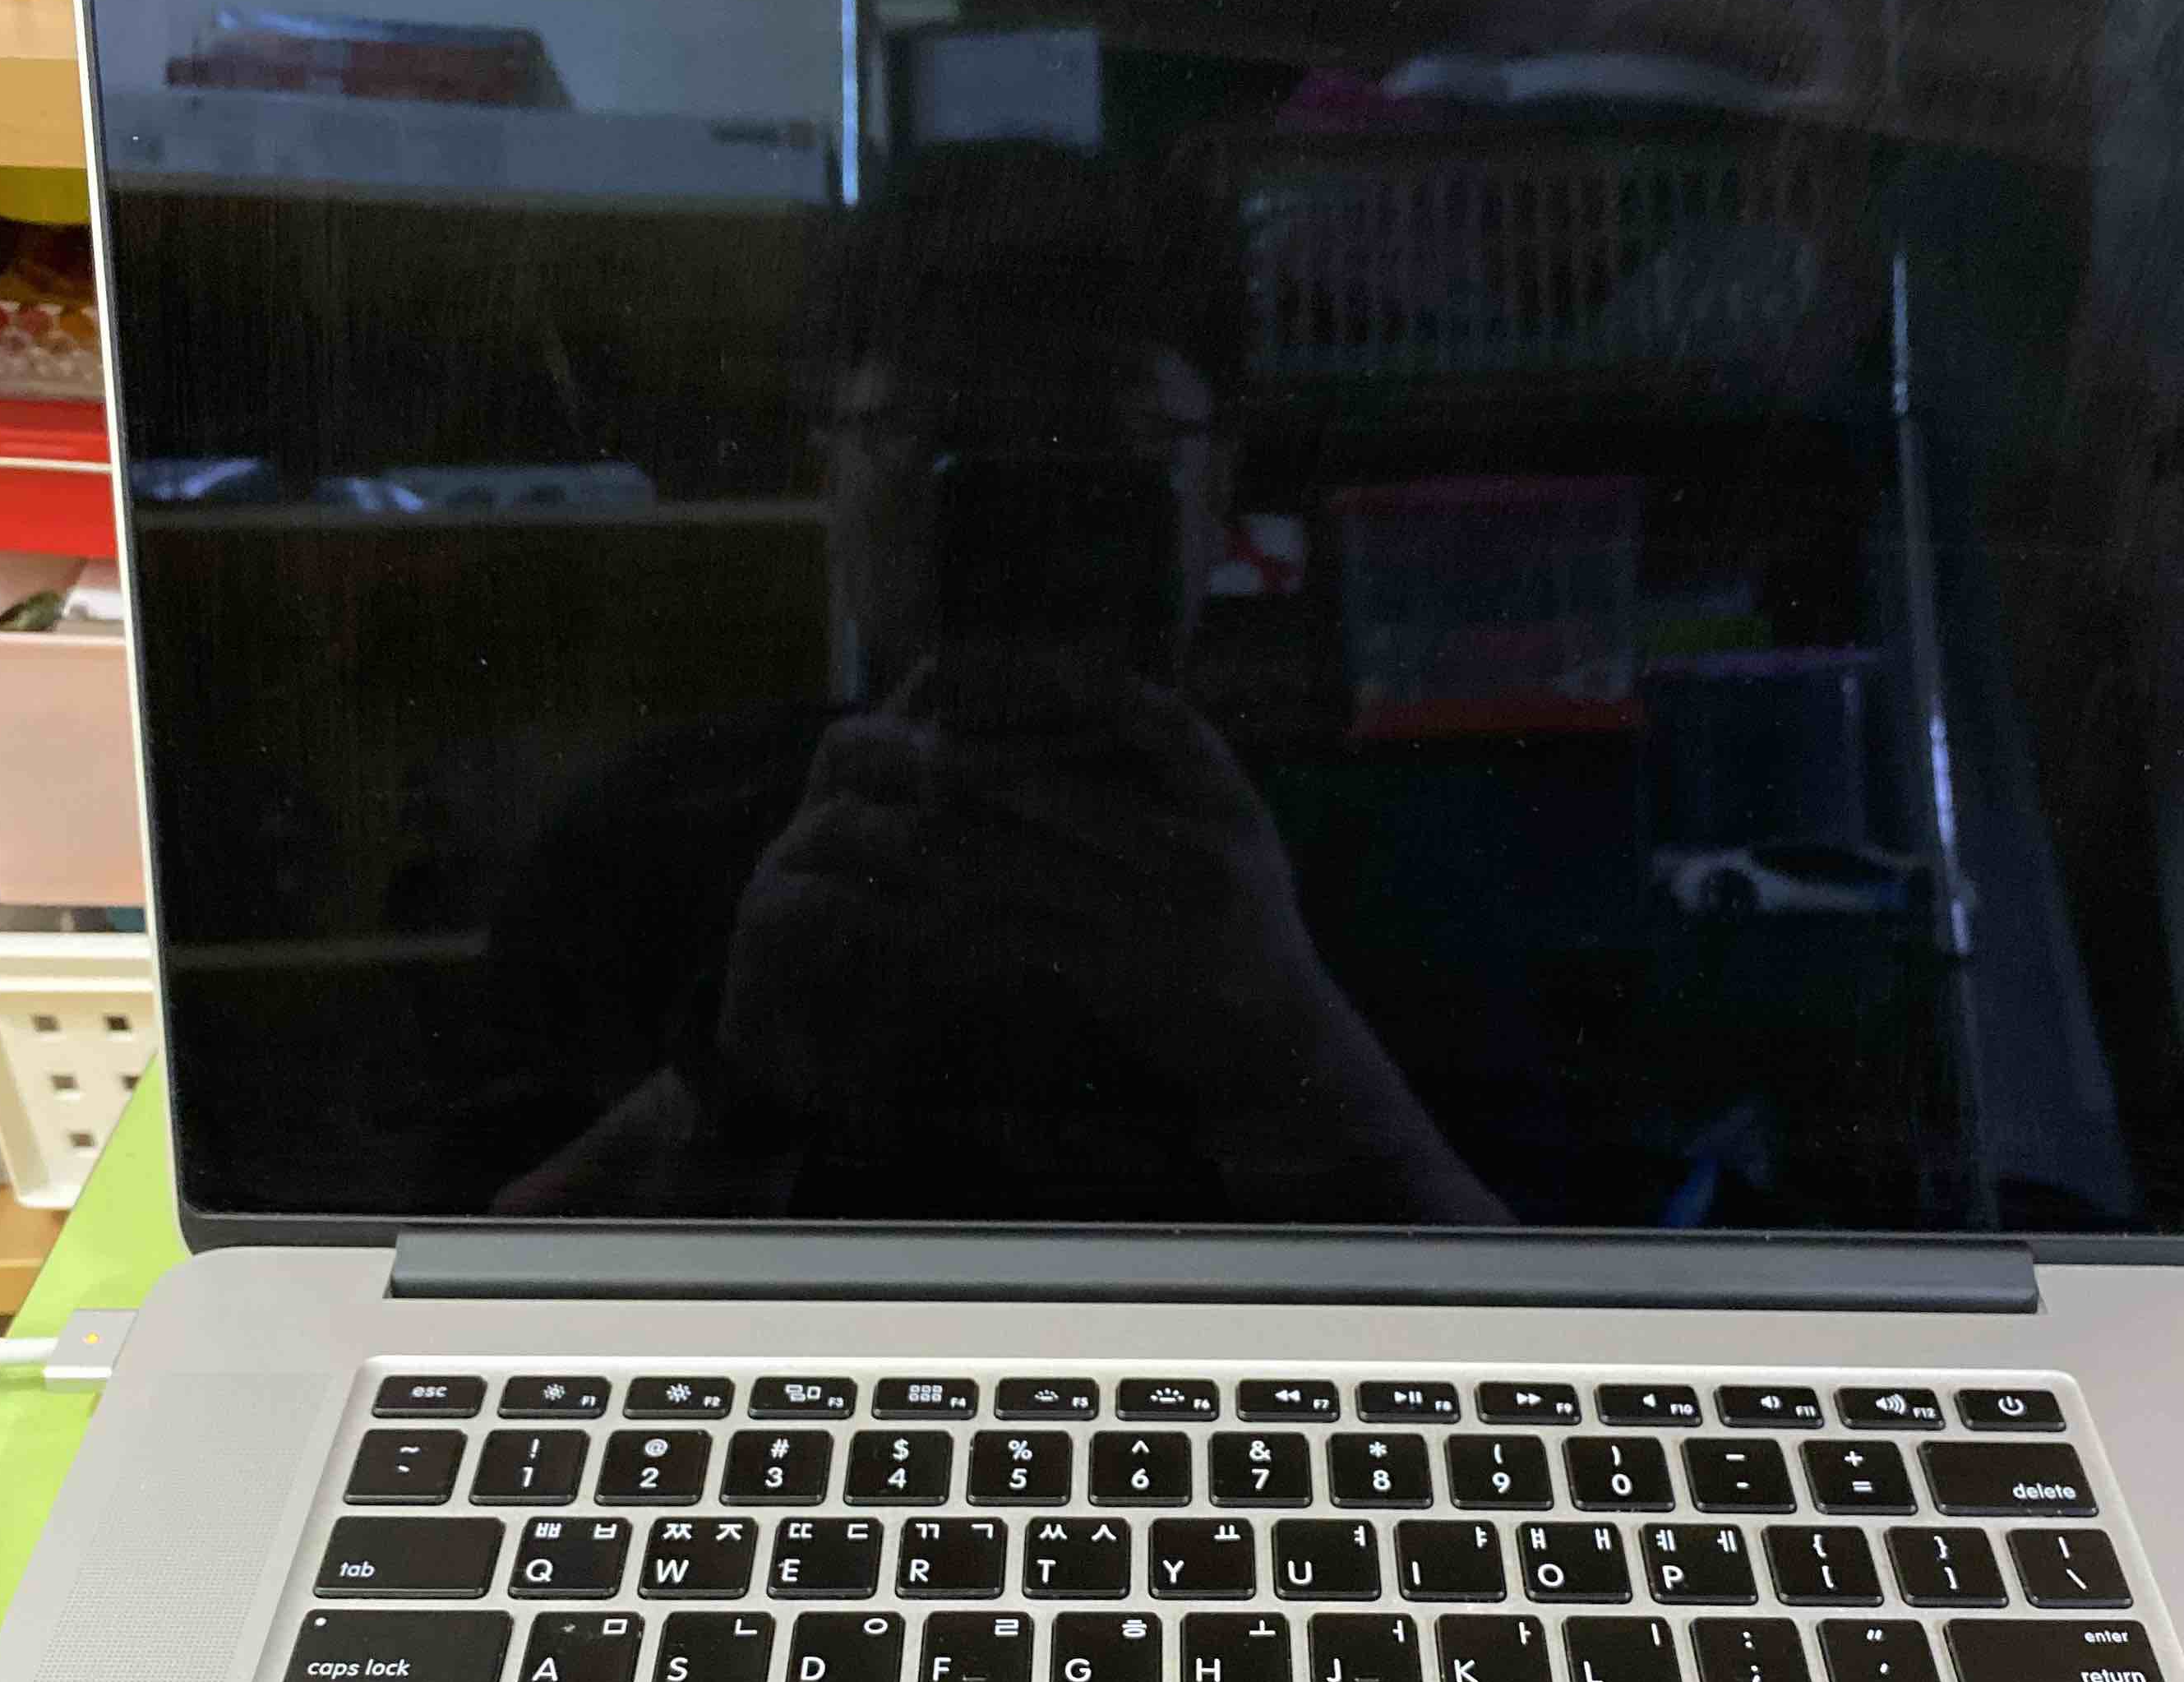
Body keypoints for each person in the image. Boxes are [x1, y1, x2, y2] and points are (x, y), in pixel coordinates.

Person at [495, 144, 1505, 1225]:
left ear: (1221, 481)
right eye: (946, 437)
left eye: (1097, 441)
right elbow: (460, 1282)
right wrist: (738, 1080)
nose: (1022, 509)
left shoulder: (1390, 862)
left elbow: (1556, 1311)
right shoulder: (640, 846)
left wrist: (1281, 1028)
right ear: (829, 474)